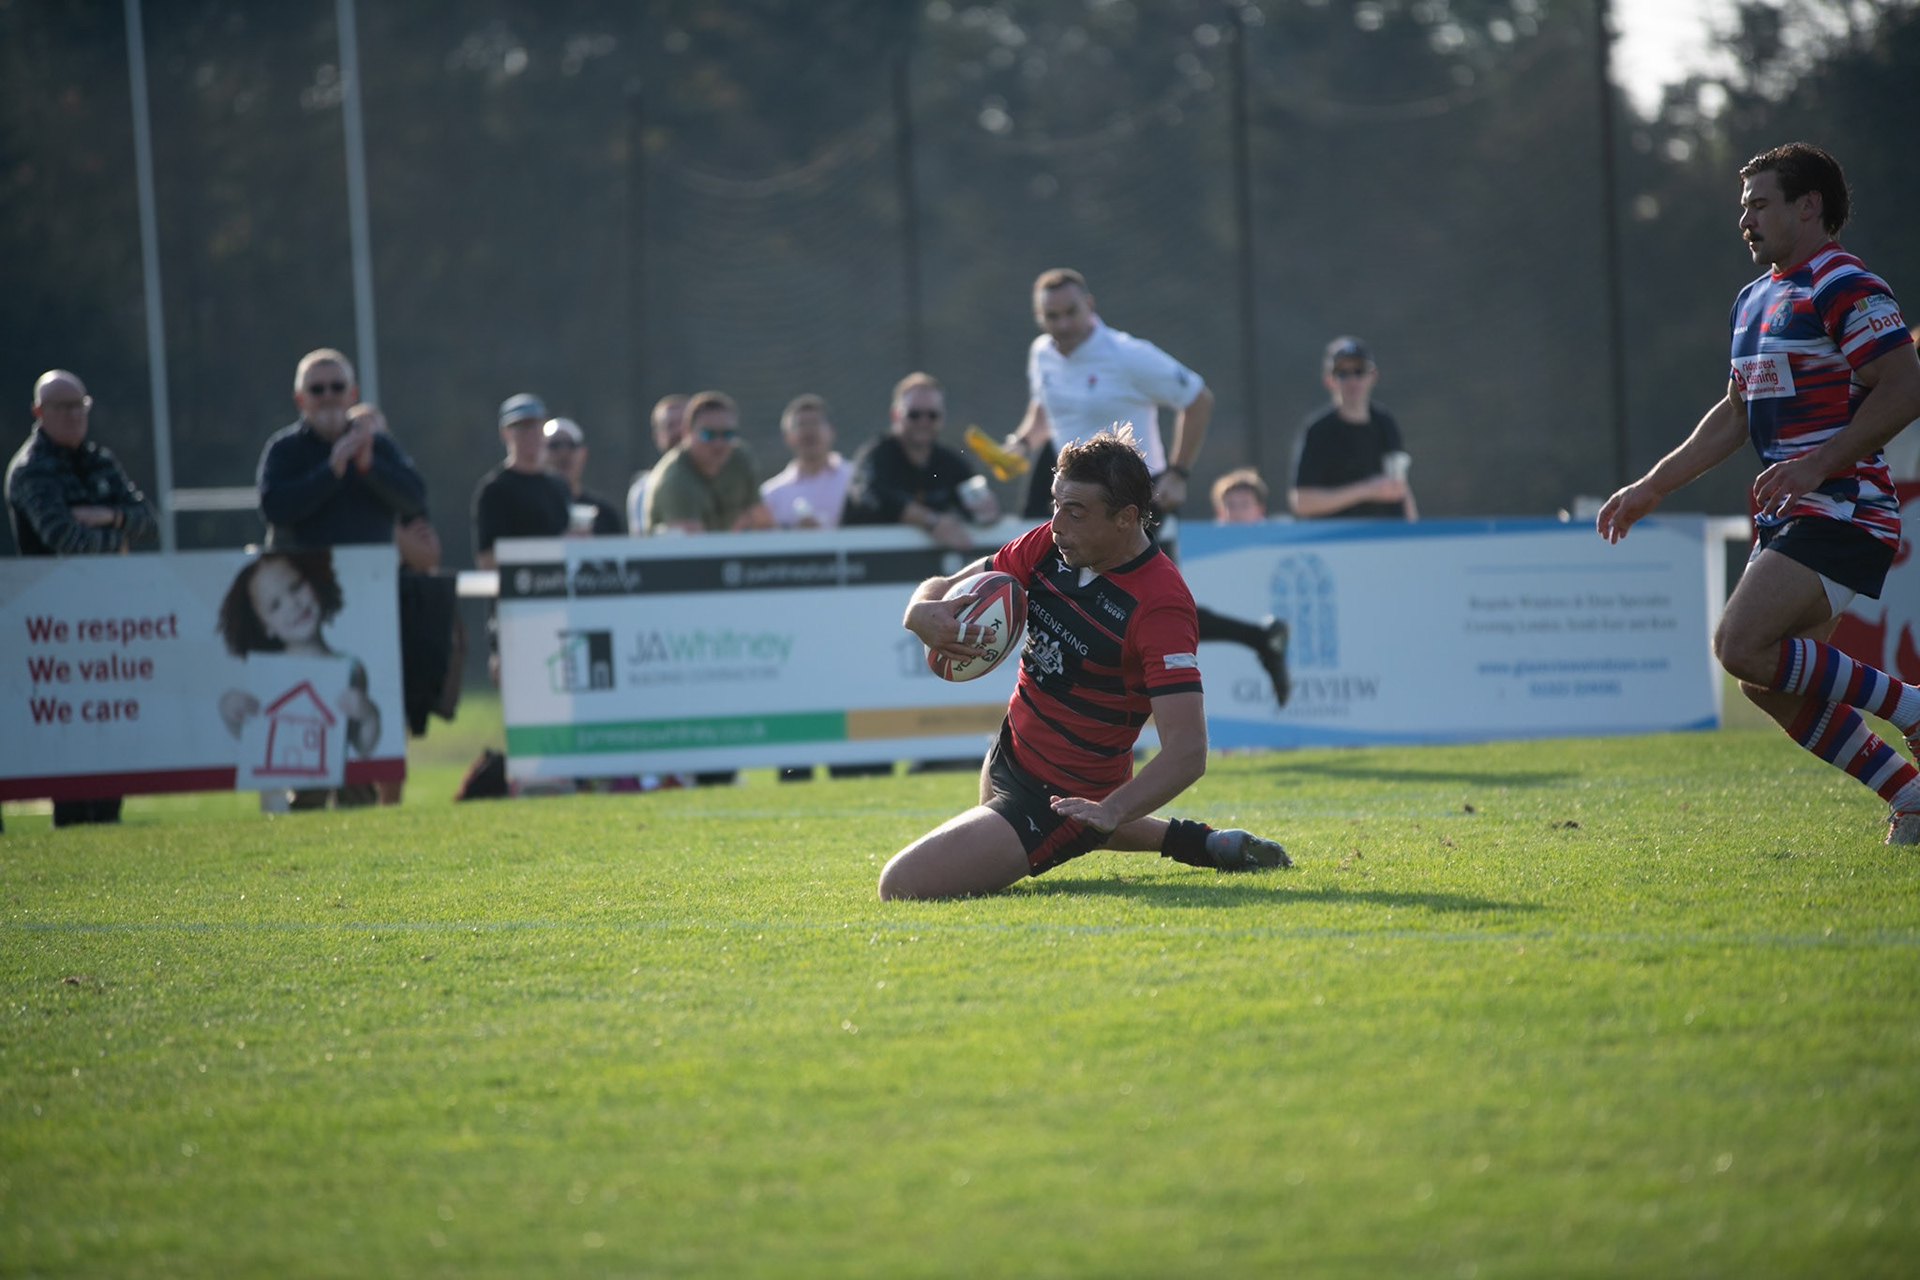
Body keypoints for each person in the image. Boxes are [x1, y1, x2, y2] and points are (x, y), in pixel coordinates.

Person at [1596, 141, 1920, 844]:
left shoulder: (1844, 282)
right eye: (1743, 207)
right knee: (1765, 681)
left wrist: (1817, 464)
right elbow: (1735, 413)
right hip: (1794, 514)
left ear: (1808, 207)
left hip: (1846, 507)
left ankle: (1913, 709)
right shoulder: (1755, 298)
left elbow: (1905, 386)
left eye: (1759, 204)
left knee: (1738, 644)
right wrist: (1652, 486)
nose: (1744, 220)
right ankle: (1912, 795)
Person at [880, 428, 1290, 900]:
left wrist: (1111, 810)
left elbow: (1188, 750)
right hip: (1007, 753)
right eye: (1056, 505)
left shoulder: (1161, 604)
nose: (1057, 523)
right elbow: (944, 587)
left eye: (1074, 512)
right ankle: (1201, 843)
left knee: (900, 885)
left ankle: (1095, 823)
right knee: (1068, 824)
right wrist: (919, 612)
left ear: (1126, 518)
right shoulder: (1052, 546)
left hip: (1057, 795)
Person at [994, 267, 1290, 704]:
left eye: (1071, 312)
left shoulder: (1127, 355)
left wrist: (1178, 473)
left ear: (1090, 306)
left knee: (1142, 603)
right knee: (1111, 603)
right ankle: (1259, 637)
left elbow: (1198, 399)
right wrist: (1021, 443)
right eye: (1052, 316)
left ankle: (1124, 705)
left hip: (1129, 500)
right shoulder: (1042, 354)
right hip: (1073, 501)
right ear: (1040, 318)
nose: (1063, 324)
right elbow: (1045, 411)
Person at [6, 369, 156, 827]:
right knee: (69, 734)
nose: (73, 416)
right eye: (61, 408)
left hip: (109, 623)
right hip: (54, 628)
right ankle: (72, 824)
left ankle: (107, 823)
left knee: (113, 730)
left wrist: (106, 516)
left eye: (79, 406)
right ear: (39, 412)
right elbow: (65, 541)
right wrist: (118, 534)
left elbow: (148, 520)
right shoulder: (31, 470)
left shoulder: (99, 460)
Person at [216, 549, 381, 762]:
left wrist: (368, 715)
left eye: (296, 587)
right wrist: (230, 711)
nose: (293, 604)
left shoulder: (351, 667)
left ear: (313, 581)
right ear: (265, 627)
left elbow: (362, 747)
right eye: (275, 605)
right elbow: (252, 737)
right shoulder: (266, 675)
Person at [256, 349, 430, 550]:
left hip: (371, 568)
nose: (328, 395)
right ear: (300, 399)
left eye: (337, 387)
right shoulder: (283, 449)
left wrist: (369, 468)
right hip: (302, 568)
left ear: (353, 393)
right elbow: (273, 510)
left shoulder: (377, 445)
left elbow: (416, 500)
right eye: (317, 389)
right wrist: (330, 473)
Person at [842, 373, 998, 551]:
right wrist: (930, 521)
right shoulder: (876, 455)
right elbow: (868, 497)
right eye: (914, 414)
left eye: (932, 415)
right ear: (895, 415)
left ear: (942, 417)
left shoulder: (950, 462)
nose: (923, 422)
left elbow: (973, 501)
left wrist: (988, 511)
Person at [1289, 336, 1417, 520]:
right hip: (1340, 536)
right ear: (1329, 379)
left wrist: (1412, 530)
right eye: (1342, 373)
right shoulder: (1318, 431)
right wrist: (1366, 490)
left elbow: (1401, 488)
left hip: (1386, 534)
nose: (1352, 380)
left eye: (1359, 371)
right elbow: (1301, 502)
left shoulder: (1384, 422)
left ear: (1372, 375)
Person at [640, 390, 773, 534]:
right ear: (686, 433)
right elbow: (693, 543)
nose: (718, 443)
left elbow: (763, 522)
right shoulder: (674, 479)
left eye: (727, 434)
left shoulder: (740, 457)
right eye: (708, 434)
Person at [472, 393, 572, 570]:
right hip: (518, 587)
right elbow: (487, 559)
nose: (531, 434)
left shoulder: (558, 485)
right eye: (522, 427)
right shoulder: (495, 490)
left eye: (536, 426)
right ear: (505, 433)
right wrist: (549, 551)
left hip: (556, 585)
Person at [760, 394, 853, 529]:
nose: (809, 431)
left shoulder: (854, 481)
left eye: (816, 422)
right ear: (787, 437)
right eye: (800, 424)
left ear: (832, 432)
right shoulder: (771, 495)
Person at [541, 417, 625, 534]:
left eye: (571, 445)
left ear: (584, 453)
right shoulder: (531, 512)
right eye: (554, 445)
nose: (563, 452)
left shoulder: (605, 515)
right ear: (540, 453)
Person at [626, 394, 689, 534]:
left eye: (684, 424)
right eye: (669, 426)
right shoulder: (642, 489)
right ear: (657, 437)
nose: (678, 432)